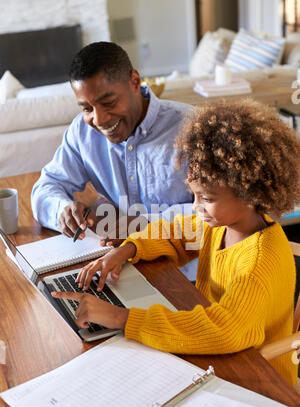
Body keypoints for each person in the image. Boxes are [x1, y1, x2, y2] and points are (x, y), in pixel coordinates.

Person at [52, 99, 300, 386]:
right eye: (193, 195)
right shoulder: (222, 224)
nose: (196, 207)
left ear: (250, 194)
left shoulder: (259, 260)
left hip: (257, 375)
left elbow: (224, 330)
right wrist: (128, 249)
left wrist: (123, 318)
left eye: (206, 198)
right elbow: (176, 231)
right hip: (218, 355)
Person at [31, 41, 193, 243]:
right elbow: (46, 187)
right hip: (118, 256)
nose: (98, 120)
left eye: (108, 103)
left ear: (135, 81)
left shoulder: (193, 128)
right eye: (87, 109)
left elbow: (224, 210)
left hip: (185, 263)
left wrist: (146, 224)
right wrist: (62, 210)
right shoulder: (82, 133)